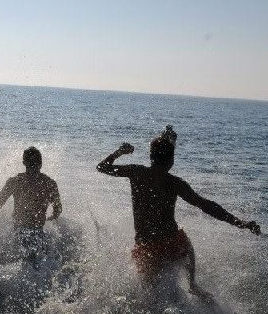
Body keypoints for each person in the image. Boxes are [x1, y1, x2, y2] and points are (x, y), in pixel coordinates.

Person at [97, 126, 260, 295]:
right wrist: (240, 223)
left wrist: (119, 152)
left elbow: (102, 167)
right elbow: (206, 205)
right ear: (172, 160)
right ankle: (192, 285)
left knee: (148, 295)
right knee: (186, 243)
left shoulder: (137, 172)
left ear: (151, 156)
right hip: (172, 244)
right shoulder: (175, 183)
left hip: (146, 248)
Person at [0, 147, 62, 253]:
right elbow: (57, 210)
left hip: (17, 235)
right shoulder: (50, 184)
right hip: (38, 235)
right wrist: (48, 221)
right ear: (40, 163)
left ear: (24, 163)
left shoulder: (14, 182)